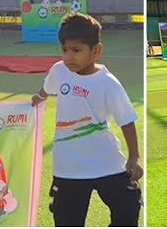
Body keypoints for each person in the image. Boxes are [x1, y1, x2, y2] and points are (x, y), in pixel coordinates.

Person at [29, 13, 141, 227]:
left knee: (128, 208)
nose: (69, 57)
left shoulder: (108, 83)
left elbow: (126, 120)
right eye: (65, 50)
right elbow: (47, 88)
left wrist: (134, 157)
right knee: (67, 221)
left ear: (95, 51)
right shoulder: (59, 71)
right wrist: (40, 97)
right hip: (68, 168)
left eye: (76, 50)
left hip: (106, 163)